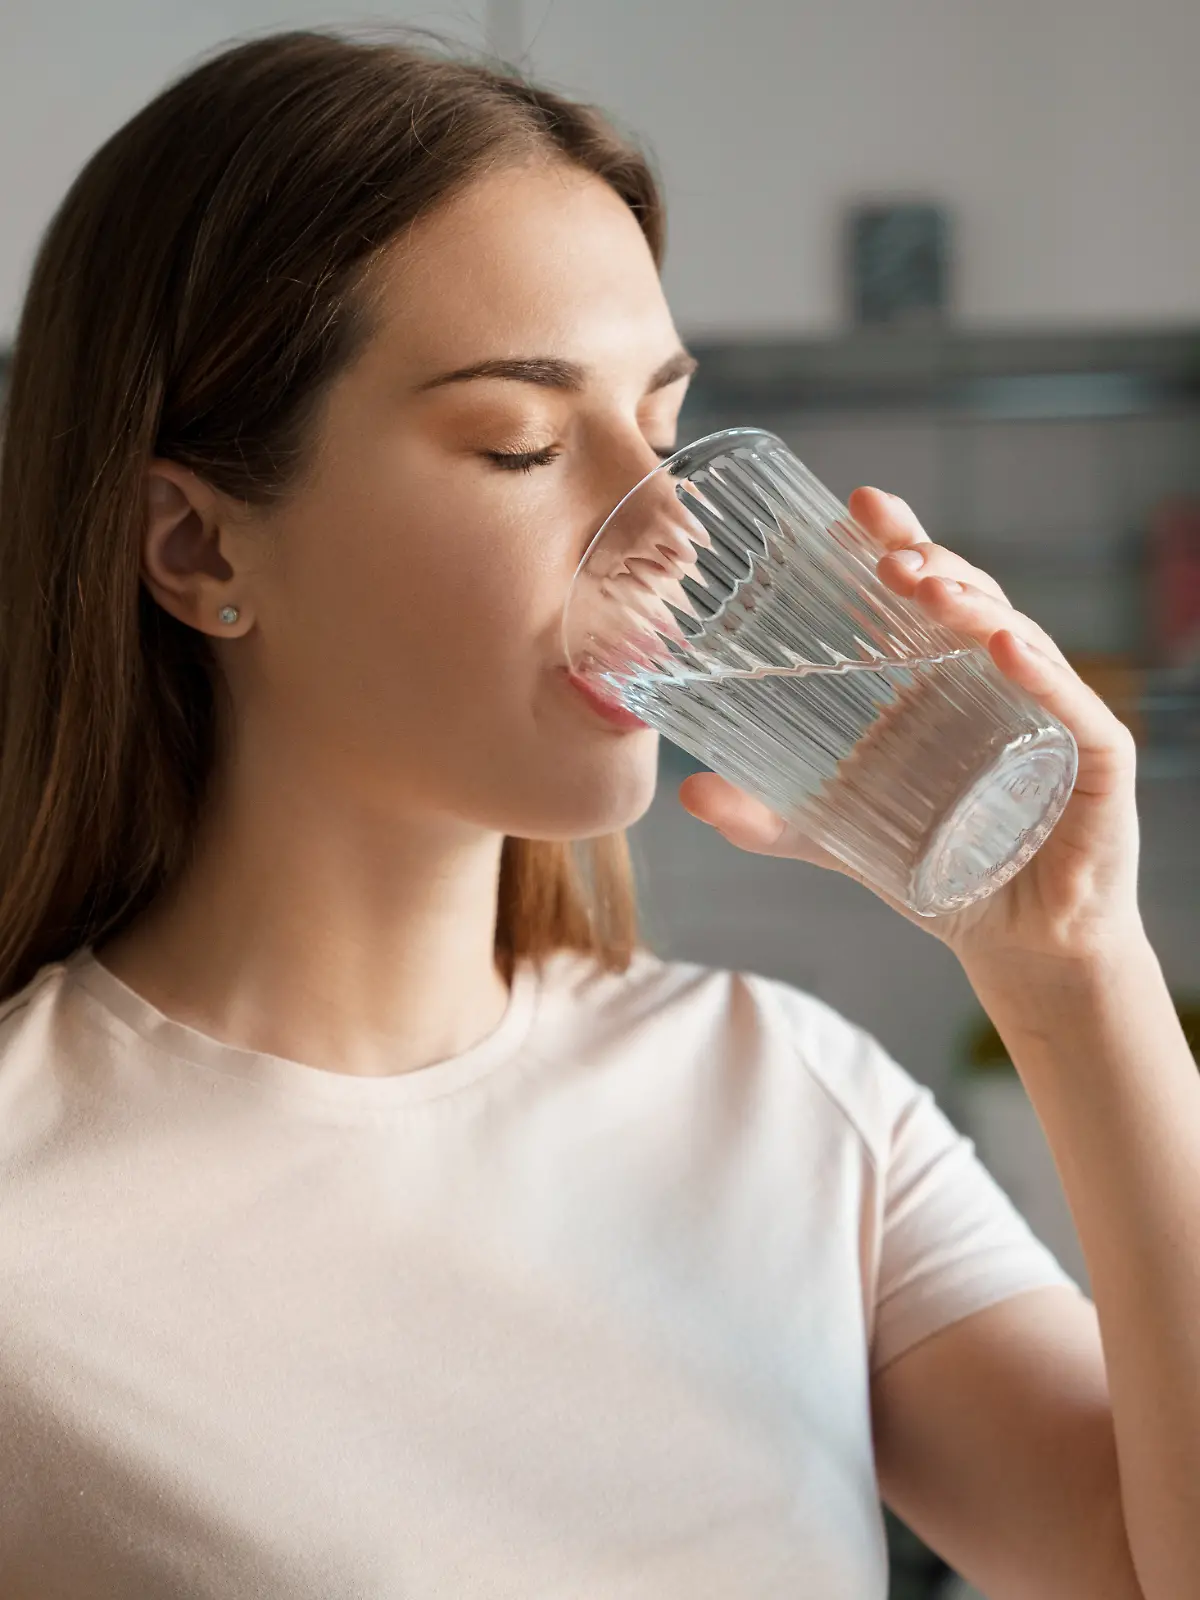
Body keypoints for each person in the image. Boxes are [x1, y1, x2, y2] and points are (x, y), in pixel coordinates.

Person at [0, 27, 1196, 1600]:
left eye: (668, 424)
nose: (676, 527)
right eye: (526, 441)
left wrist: (1077, 976)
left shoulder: (795, 1107)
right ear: (198, 551)